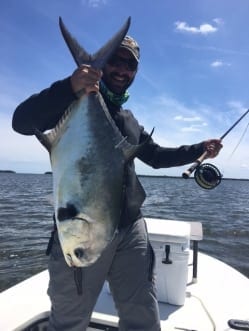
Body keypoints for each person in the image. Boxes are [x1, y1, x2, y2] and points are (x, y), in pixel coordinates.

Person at [12, 35, 222, 331]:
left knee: (142, 312)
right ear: (104, 65)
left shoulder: (129, 120)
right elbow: (21, 122)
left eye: (130, 65)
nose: (123, 70)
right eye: (116, 61)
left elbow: (156, 156)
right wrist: (69, 87)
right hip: (85, 229)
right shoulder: (70, 101)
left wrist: (200, 148)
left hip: (130, 228)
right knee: (70, 318)